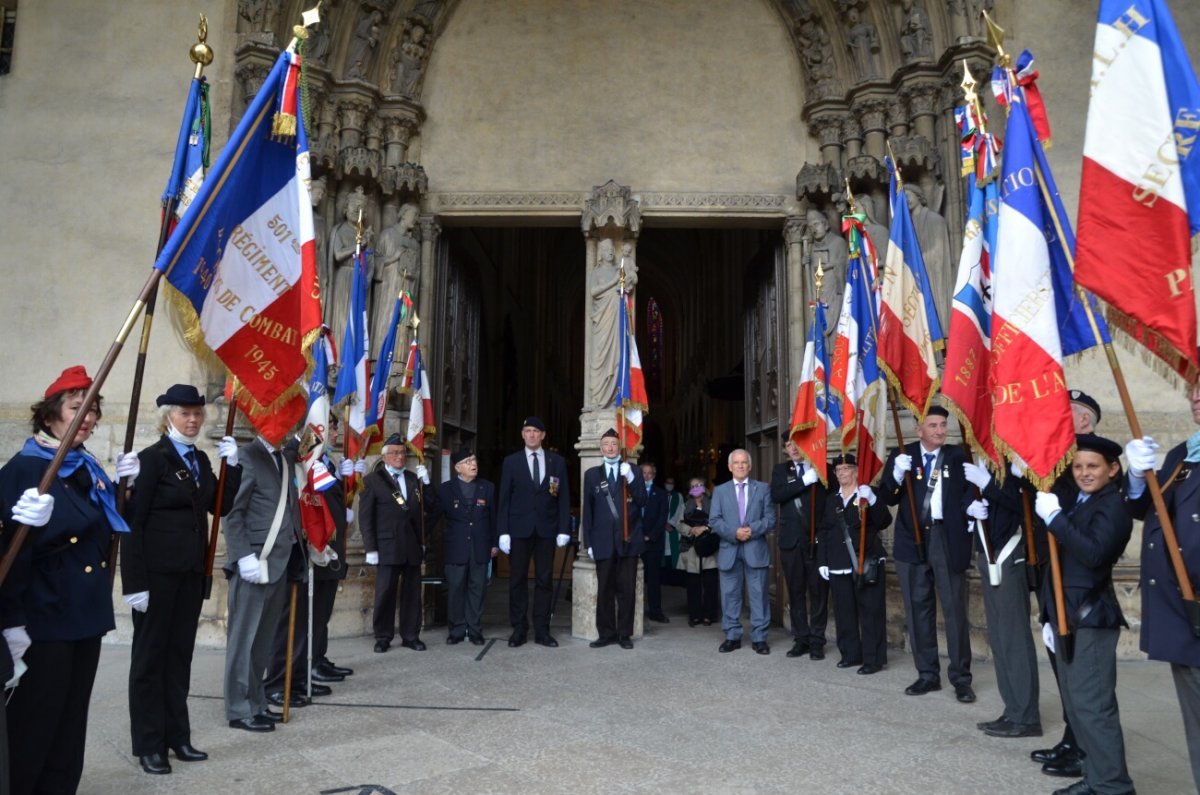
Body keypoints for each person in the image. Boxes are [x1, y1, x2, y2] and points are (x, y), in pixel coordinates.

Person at [0, 365, 138, 794]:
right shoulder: (24, 470)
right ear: (49, 416)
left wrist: (126, 491)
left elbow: (104, 529)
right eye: (78, 407)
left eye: (94, 408)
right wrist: (11, 620)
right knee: (35, 724)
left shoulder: (87, 467)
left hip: (84, 613)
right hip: (44, 617)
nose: (90, 417)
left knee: (70, 721)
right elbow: (9, 552)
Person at [122, 384, 241, 774]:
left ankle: (178, 736)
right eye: (184, 414)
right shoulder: (152, 459)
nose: (192, 420)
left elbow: (218, 506)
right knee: (150, 660)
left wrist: (233, 468)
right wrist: (134, 582)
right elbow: (132, 524)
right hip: (155, 576)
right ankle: (149, 744)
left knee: (179, 657)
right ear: (167, 417)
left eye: (197, 414)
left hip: (190, 574)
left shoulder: (202, 461)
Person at [1033, 433, 1135, 795]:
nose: (1084, 473)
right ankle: (1096, 777)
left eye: (1093, 466)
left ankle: (1113, 785)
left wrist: (1056, 519)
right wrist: (1048, 614)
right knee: (1077, 707)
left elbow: (1093, 554)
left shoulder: (1114, 505)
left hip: (1090, 619)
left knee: (1093, 707)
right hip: (1066, 615)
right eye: (1078, 466)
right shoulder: (1081, 501)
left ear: (1112, 468)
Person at [1126, 381, 1200, 791]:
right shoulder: (1184, 455)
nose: (1195, 398)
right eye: (1193, 392)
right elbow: (1148, 511)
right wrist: (1138, 478)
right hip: (1184, 609)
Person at [880, 405, 975, 702]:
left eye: (942, 425)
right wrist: (896, 474)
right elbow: (887, 497)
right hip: (913, 541)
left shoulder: (957, 456)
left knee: (954, 610)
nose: (939, 430)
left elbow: (968, 492)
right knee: (918, 608)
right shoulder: (902, 455)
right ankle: (927, 674)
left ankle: (961, 678)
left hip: (947, 539)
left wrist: (971, 510)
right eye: (932, 425)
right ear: (918, 429)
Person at [262, 421, 362, 705]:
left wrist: (345, 485)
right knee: (295, 619)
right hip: (305, 546)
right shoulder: (296, 454)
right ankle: (283, 679)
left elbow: (326, 495)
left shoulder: (322, 458)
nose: (334, 433)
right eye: (329, 428)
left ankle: (306, 668)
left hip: (327, 544)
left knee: (318, 613)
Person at [1034, 388, 1104, 777]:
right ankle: (1072, 736)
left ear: (1085, 420)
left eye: (1069, 412)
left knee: (1082, 678)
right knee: (1063, 670)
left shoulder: (1096, 468)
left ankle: (1086, 748)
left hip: (1082, 593)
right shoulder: (1065, 466)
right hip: (1055, 581)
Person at [222, 431, 303, 733]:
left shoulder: (281, 458)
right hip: (255, 560)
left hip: (279, 562)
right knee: (244, 640)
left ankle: (256, 701)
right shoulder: (248, 455)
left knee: (262, 641)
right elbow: (232, 511)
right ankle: (238, 708)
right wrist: (242, 555)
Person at [961, 458, 1041, 739]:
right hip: (987, 553)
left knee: (1014, 637)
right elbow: (963, 496)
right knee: (999, 636)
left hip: (1009, 553)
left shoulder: (1016, 465)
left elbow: (1025, 506)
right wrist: (968, 508)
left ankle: (1026, 715)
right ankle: (1014, 709)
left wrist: (989, 486)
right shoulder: (980, 459)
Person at [497, 417, 572, 647]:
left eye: (535, 431)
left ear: (543, 435)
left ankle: (542, 630)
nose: (531, 435)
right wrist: (503, 531)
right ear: (522, 434)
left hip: (546, 529)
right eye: (527, 431)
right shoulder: (511, 462)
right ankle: (519, 628)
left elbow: (563, 497)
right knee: (517, 580)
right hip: (519, 530)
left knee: (544, 580)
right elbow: (505, 498)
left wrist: (563, 528)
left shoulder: (556, 461)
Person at [360, 434, 437, 653]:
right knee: (385, 592)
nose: (399, 456)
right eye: (394, 452)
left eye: (403, 452)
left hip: (412, 545)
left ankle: (411, 635)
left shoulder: (414, 479)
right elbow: (365, 518)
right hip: (386, 546)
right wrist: (371, 548)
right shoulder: (372, 481)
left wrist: (428, 483)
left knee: (412, 594)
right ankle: (383, 636)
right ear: (384, 457)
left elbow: (431, 508)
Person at [818, 454, 891, 675]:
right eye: (838, 470)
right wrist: (823, 561)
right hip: (839, 563)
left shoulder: (868, 494)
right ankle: (850, 654)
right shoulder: (832, 500)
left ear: (856, 470)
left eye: (846, 469)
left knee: (871, 611)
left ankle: (873, 658)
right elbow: (824, 531)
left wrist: (874, 501)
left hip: (865, 561)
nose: (841, 473)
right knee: (844, 611)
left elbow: (884, 521)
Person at [710, 449, 777, 654]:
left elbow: (770, 519)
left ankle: (759, 638)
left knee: (758, 595)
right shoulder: (720, 491)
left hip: (755, 549)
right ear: (730, 467)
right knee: (730, 595)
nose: (740, 466)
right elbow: (714, 520)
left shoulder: (763, 489)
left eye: (744, 462)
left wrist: (753, 530)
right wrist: (734, 533)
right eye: (736, 463)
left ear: (750, 466)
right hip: (729, 549)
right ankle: (732, 635)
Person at [583, 429, 644, 649]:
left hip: (628, 540)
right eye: (606, 444)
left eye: (614, 444)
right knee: (605, 590)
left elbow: (642, 500)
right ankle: (606, 633)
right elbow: (587, 511)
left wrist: (632, 478)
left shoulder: (632, 470)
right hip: (602, 542)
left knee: (627, 590)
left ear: (619, 447)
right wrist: (588, 543)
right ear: (601, 448)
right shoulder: (592, 475)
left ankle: (624, 634)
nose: (610, 447)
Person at [770, 435, 829, 660]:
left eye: (798, 443)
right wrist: (803, 481)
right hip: (791, 542)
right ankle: (800, 639)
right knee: (795, 593)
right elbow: (778, 494)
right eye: (789, 445)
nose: (794, 448)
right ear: (784, 449)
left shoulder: (821, 468)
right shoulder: (780, 470)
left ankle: (816, 641)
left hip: (815, 540)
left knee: (819, 593)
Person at [439, 447, 497, 645]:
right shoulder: (446, 489)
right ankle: (456, 630)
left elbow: (494, 518)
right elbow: (434, 515)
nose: (473, 464)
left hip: (480, 547)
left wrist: (495, 543)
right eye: (468, 462)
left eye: (474, 460)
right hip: (456, 547)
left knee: (477, 589)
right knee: (455, 588)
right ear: (457, 467)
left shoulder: (487, 487)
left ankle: (474, 629)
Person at [677, 478, 719, 626]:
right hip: (691, 548)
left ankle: (709, 614)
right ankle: (694, 615)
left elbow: (719, 521)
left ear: (704, 487)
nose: (697, 488)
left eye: (699, 485)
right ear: (689, 489)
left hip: (709, 548)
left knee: (710, 584)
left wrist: (706, 528)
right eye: (693, 486)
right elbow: (679, 524)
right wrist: (691, 530)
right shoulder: (685, 505)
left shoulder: (713, 503)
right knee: (693, 585)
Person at [639, 461, 670, 623]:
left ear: (654, 475)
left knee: (653, 579)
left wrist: (650, 536)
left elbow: (662, 518)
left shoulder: (661, 493)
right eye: (644, 473)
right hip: (634, 542)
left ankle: (655, 611)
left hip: (653, 542)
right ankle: (634, 610)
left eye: (650, 473)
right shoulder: (631, 491)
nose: (647, 476)